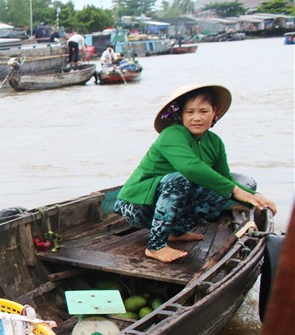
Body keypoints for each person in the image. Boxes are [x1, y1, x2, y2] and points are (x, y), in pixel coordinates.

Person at [113, 84, 277, 263]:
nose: (196, 118)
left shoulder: (215, 142)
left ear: (214, 112)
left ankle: (175, 232)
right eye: (190, 112)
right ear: (180, 115)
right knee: (180, 180)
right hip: (136, 207)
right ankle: (155, 245)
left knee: (228, 187)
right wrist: (237, 192)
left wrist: (257, 197)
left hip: (166, 207)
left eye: (203, 111)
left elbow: (225, 179)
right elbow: (191, 168)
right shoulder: (171, 134)